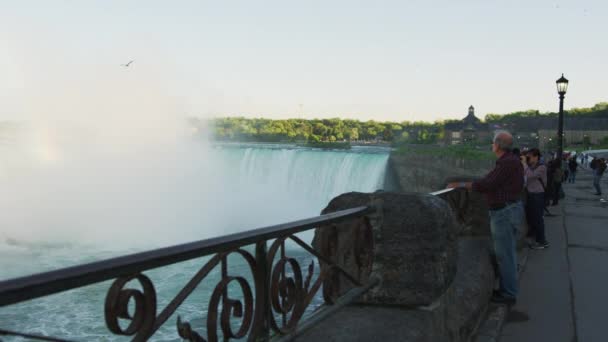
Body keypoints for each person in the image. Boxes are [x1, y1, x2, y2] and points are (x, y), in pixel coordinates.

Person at [447, 131, 523, 305]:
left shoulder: (506, 163)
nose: (492, 145)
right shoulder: (510, 161)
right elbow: (490, 180)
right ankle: (507, 290)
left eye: (493, 143)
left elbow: (487, 184)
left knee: (505, 255)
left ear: (497, 145)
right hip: (509, 209)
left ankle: (509, 294)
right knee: (506, 253)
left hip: (504, 212)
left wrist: (460, 185)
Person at [524, 149, 549, 249]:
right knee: (531, 217)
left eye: (529, 157)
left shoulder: (542, 167)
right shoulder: (530, 167)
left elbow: (530, 176)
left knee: (538, 219)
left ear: (536, 157)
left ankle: (542, 241)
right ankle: (534, 236)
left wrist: (524, 165)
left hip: (538, 195)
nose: (527, 159)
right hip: (530, 194)